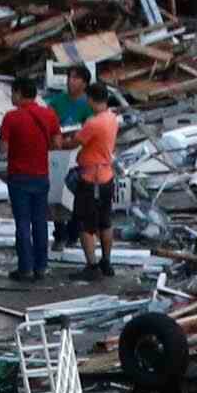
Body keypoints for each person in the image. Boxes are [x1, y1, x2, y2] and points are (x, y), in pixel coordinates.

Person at [0, 68, 62, 283]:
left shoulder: (11, 117)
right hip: (41, 176)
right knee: (40, 222)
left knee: (23, 224)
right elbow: (57, 144)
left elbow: (2, 150)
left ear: (18, 93)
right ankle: (41, 266)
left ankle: (25, 269)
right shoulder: (49, 114)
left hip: (18, 177)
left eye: (13, 94)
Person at [68, 76, 122, 280]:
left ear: (91, 99)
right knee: (105, 222)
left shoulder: (93, 122)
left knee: (85, 224)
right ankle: (106, 261)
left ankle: (91, 265)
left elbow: (75, 142)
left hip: (91, 178)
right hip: (107, 175)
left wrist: (60, 142)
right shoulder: (112, 118)